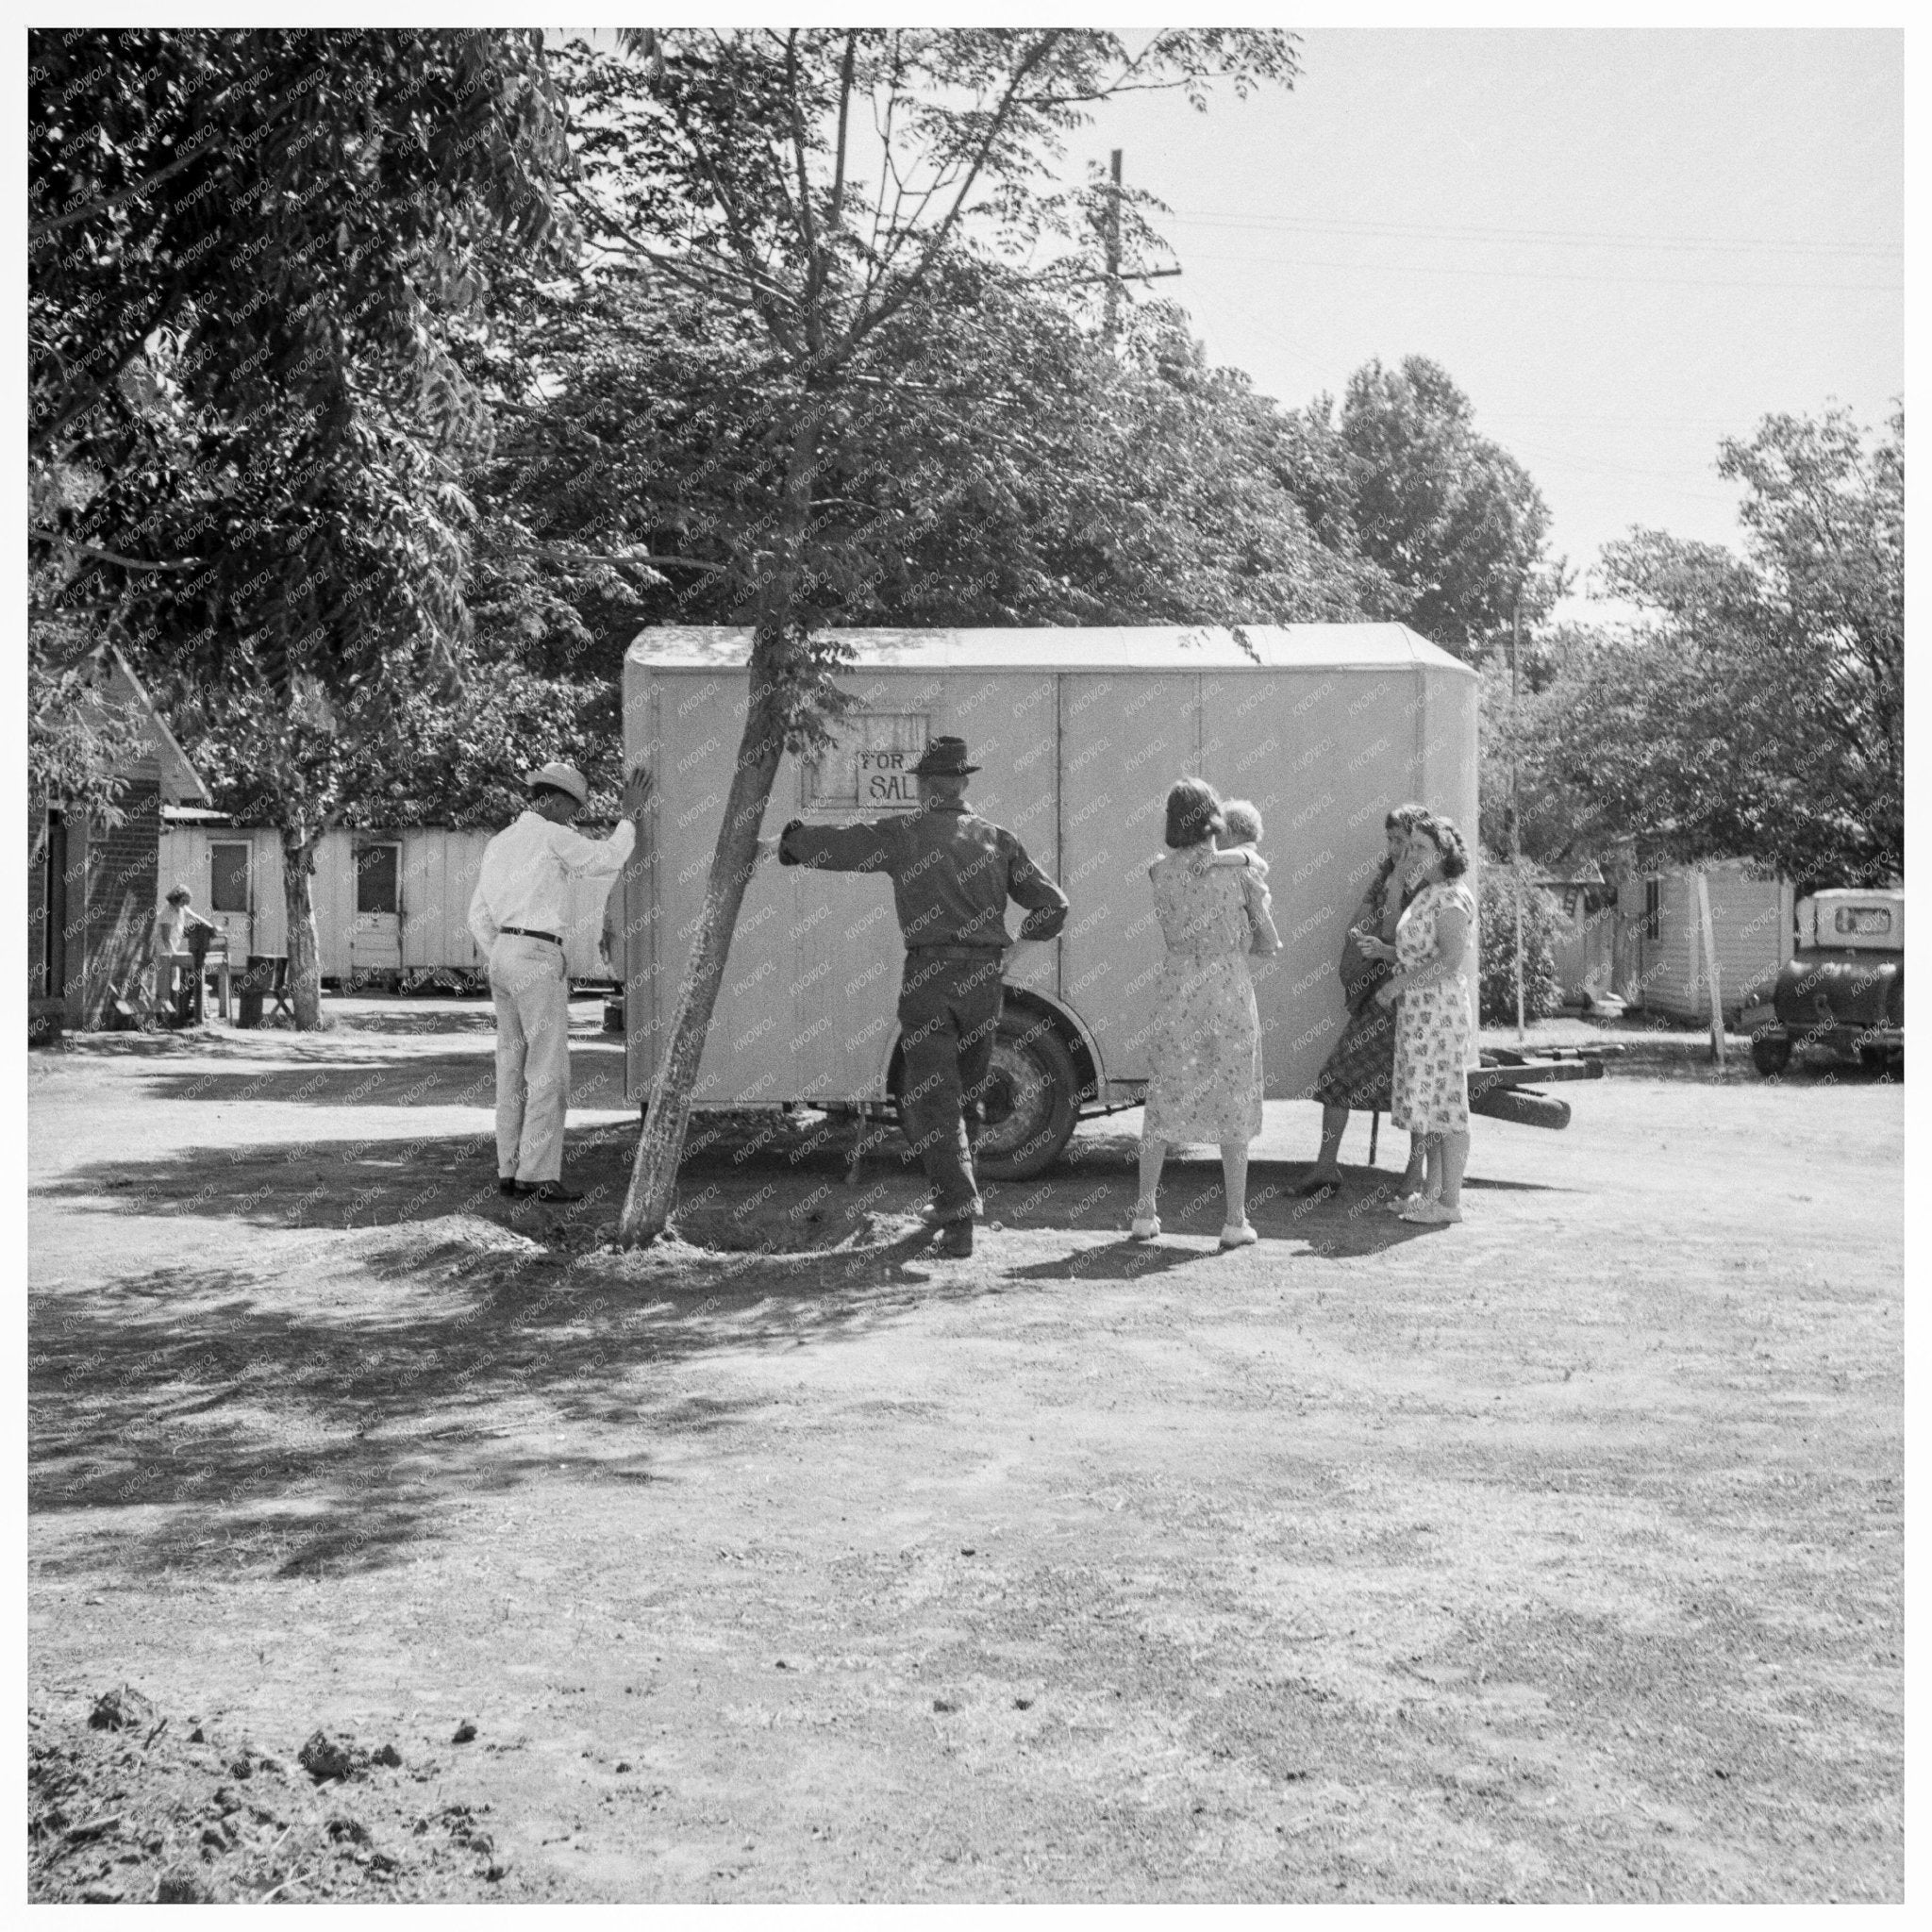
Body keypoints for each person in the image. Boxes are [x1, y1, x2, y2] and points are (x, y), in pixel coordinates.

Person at [766, 736, 1069, 1260]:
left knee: (934, 1100)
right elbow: (1054, 906)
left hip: (931, 978)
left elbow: (842, 844)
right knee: (966, 1095)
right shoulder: (999, 839)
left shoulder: (905, 833)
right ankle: (954, 1206)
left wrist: (785, 843)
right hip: (983, 981)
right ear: (963, 783)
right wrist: (1012, 954)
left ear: (926, 786)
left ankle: (958, 1213)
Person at [469, 759, 652, 1203]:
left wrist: (506, 953)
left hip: (503, 954)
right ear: (552, 801)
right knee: (548, 1071)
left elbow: (477, 917)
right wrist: (629, 817)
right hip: (536, 954)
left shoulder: (499, 842)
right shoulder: (552, 836)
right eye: (572, 808)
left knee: (511, 1070)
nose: (573, 817)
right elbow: (607, 859)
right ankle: (537, 1176)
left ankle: (509, 1170)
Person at [1132, 778, 1278, 1249]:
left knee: (1164, 1095)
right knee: (1233, 1095)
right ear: (1214, 818)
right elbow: (1268, 941)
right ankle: (1234, 1219)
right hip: (1227, 987)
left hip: (1176, 989)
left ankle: (1144, 1213)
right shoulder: (1240, 872)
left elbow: (1173, 868)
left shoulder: (1158, 871)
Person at [1296, 805, 1432, 1200]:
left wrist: (1395, 888)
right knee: (1338, 1075)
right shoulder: (1387, 873)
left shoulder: (1426, 882)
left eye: (1400, 840)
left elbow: (1392, 931)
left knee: (1415, 1085)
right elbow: (1359, 924)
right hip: (1380, 994)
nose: (1393, 848)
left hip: (1413, 994)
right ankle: (1326, 1167)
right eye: (1390, 839)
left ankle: (1414, 1176)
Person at [1374, 810, 1479, 1224]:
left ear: (1443, 851)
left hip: (1440, 1012)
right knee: (1430, 1105)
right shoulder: (1427, 892)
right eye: (1411, 845)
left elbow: (1451, 960)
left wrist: (1398, 984)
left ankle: (1450, 1203)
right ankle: (1431, 1195)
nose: (1412, 853)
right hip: (1419, 1011)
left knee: (1448, 1104)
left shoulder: (1452, 896)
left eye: (1421, 847)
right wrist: (1390, 959)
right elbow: (1413, 948)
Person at [152, 884, 219, 1025]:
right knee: (164, 984)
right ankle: (162, 1017)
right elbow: (165, 937)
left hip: (172, 949)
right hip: (163, 950)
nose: (185, 904)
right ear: (176, 899)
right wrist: (175, 955)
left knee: (177, 980)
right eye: (183, 901)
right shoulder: (167, 912)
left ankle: (177, 1012)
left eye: (186, 902)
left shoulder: (182, 909)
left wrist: (210, 927)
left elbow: (195, 916)